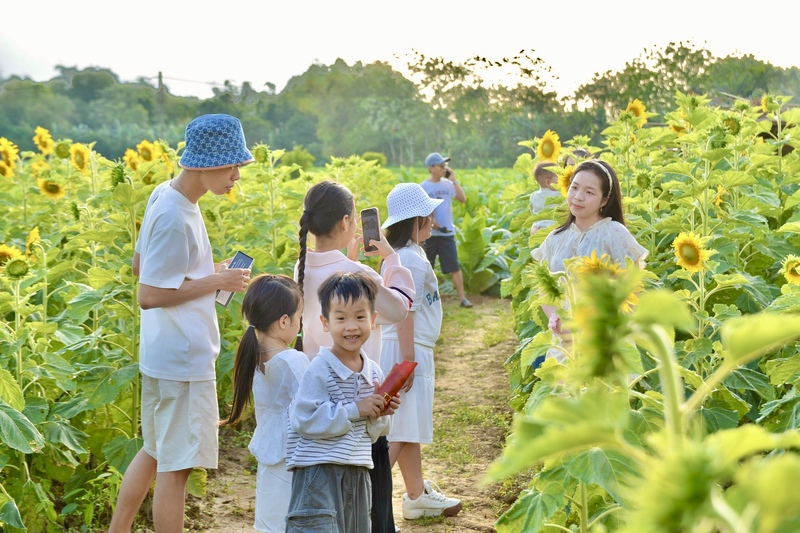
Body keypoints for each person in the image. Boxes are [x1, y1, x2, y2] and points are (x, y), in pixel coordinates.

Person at [109, 114, 254, 533]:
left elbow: (144, 266)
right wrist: (216, 281)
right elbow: (149, 294)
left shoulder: (166, 196)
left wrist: (213, 270)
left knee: (155, 451)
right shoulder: (176, 214)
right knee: (178, 467)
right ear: (207, 165)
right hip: (182, 361)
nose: (236, 177)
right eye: (232, 167)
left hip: (163, 354)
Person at [295, 180, 414, 533]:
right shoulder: (358, 275)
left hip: (321, 410)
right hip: (360, 407)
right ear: (347, 223)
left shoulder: (299, 269)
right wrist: (390, 259)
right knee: (371, 510)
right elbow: (399, 308)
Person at [285, 271, 400, 533]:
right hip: (319, 471)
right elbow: (303, 419)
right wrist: (354, 409)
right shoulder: (320, 368)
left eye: (360, 317)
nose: (351, 326)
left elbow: (374, 435)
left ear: (373, 320)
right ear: (325, 322)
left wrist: (381, 413)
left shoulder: (373, 373)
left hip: (358, 471)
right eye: (341, 318)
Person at [380, 183, 463, 520]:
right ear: (416, 219)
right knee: (398, 430)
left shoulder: (405, 255)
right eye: (428, 213)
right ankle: (365, 492)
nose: (433, 218)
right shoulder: (410, 259)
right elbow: (406, 313)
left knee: (405, 425)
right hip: (406, 349)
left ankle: (415, 496)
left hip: (406, 349)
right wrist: (408, 360)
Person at [530, 159, 647, 360]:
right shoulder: (555, 238)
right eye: (574, 187)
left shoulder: (614, 233)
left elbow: (633, 288)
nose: (578, 197)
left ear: (604, 200)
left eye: (589, 192)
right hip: (565, 343)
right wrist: (556, 320)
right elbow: (544, 287)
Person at [220, 274, 309, 533]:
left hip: (271, 454)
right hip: (296, 456)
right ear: (284, 321)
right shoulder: (292, 360)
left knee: (271, 519)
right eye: (299, 316)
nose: (300, 323)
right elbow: (316, 406)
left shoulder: (253, 357)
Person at [420, 152, 473, 308]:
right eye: (441, 165)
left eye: (445, 165)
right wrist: (434, 224)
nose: (445, 168)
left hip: (447, 233)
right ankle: (423, 300)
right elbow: (423, 211)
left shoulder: (448, 184)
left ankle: (463, 298)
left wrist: (454, 179)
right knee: (426, 267)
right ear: (431, 168)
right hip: (429, 234)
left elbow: (462, 199)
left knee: (454, 267)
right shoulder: (424, 187)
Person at [529, 161, 562, 235]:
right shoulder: (559, 195)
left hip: (537, 228)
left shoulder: (533, 195)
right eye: (559, 177)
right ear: (548, 183)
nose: (561, 179)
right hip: (553, 229)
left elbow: (532, 212)